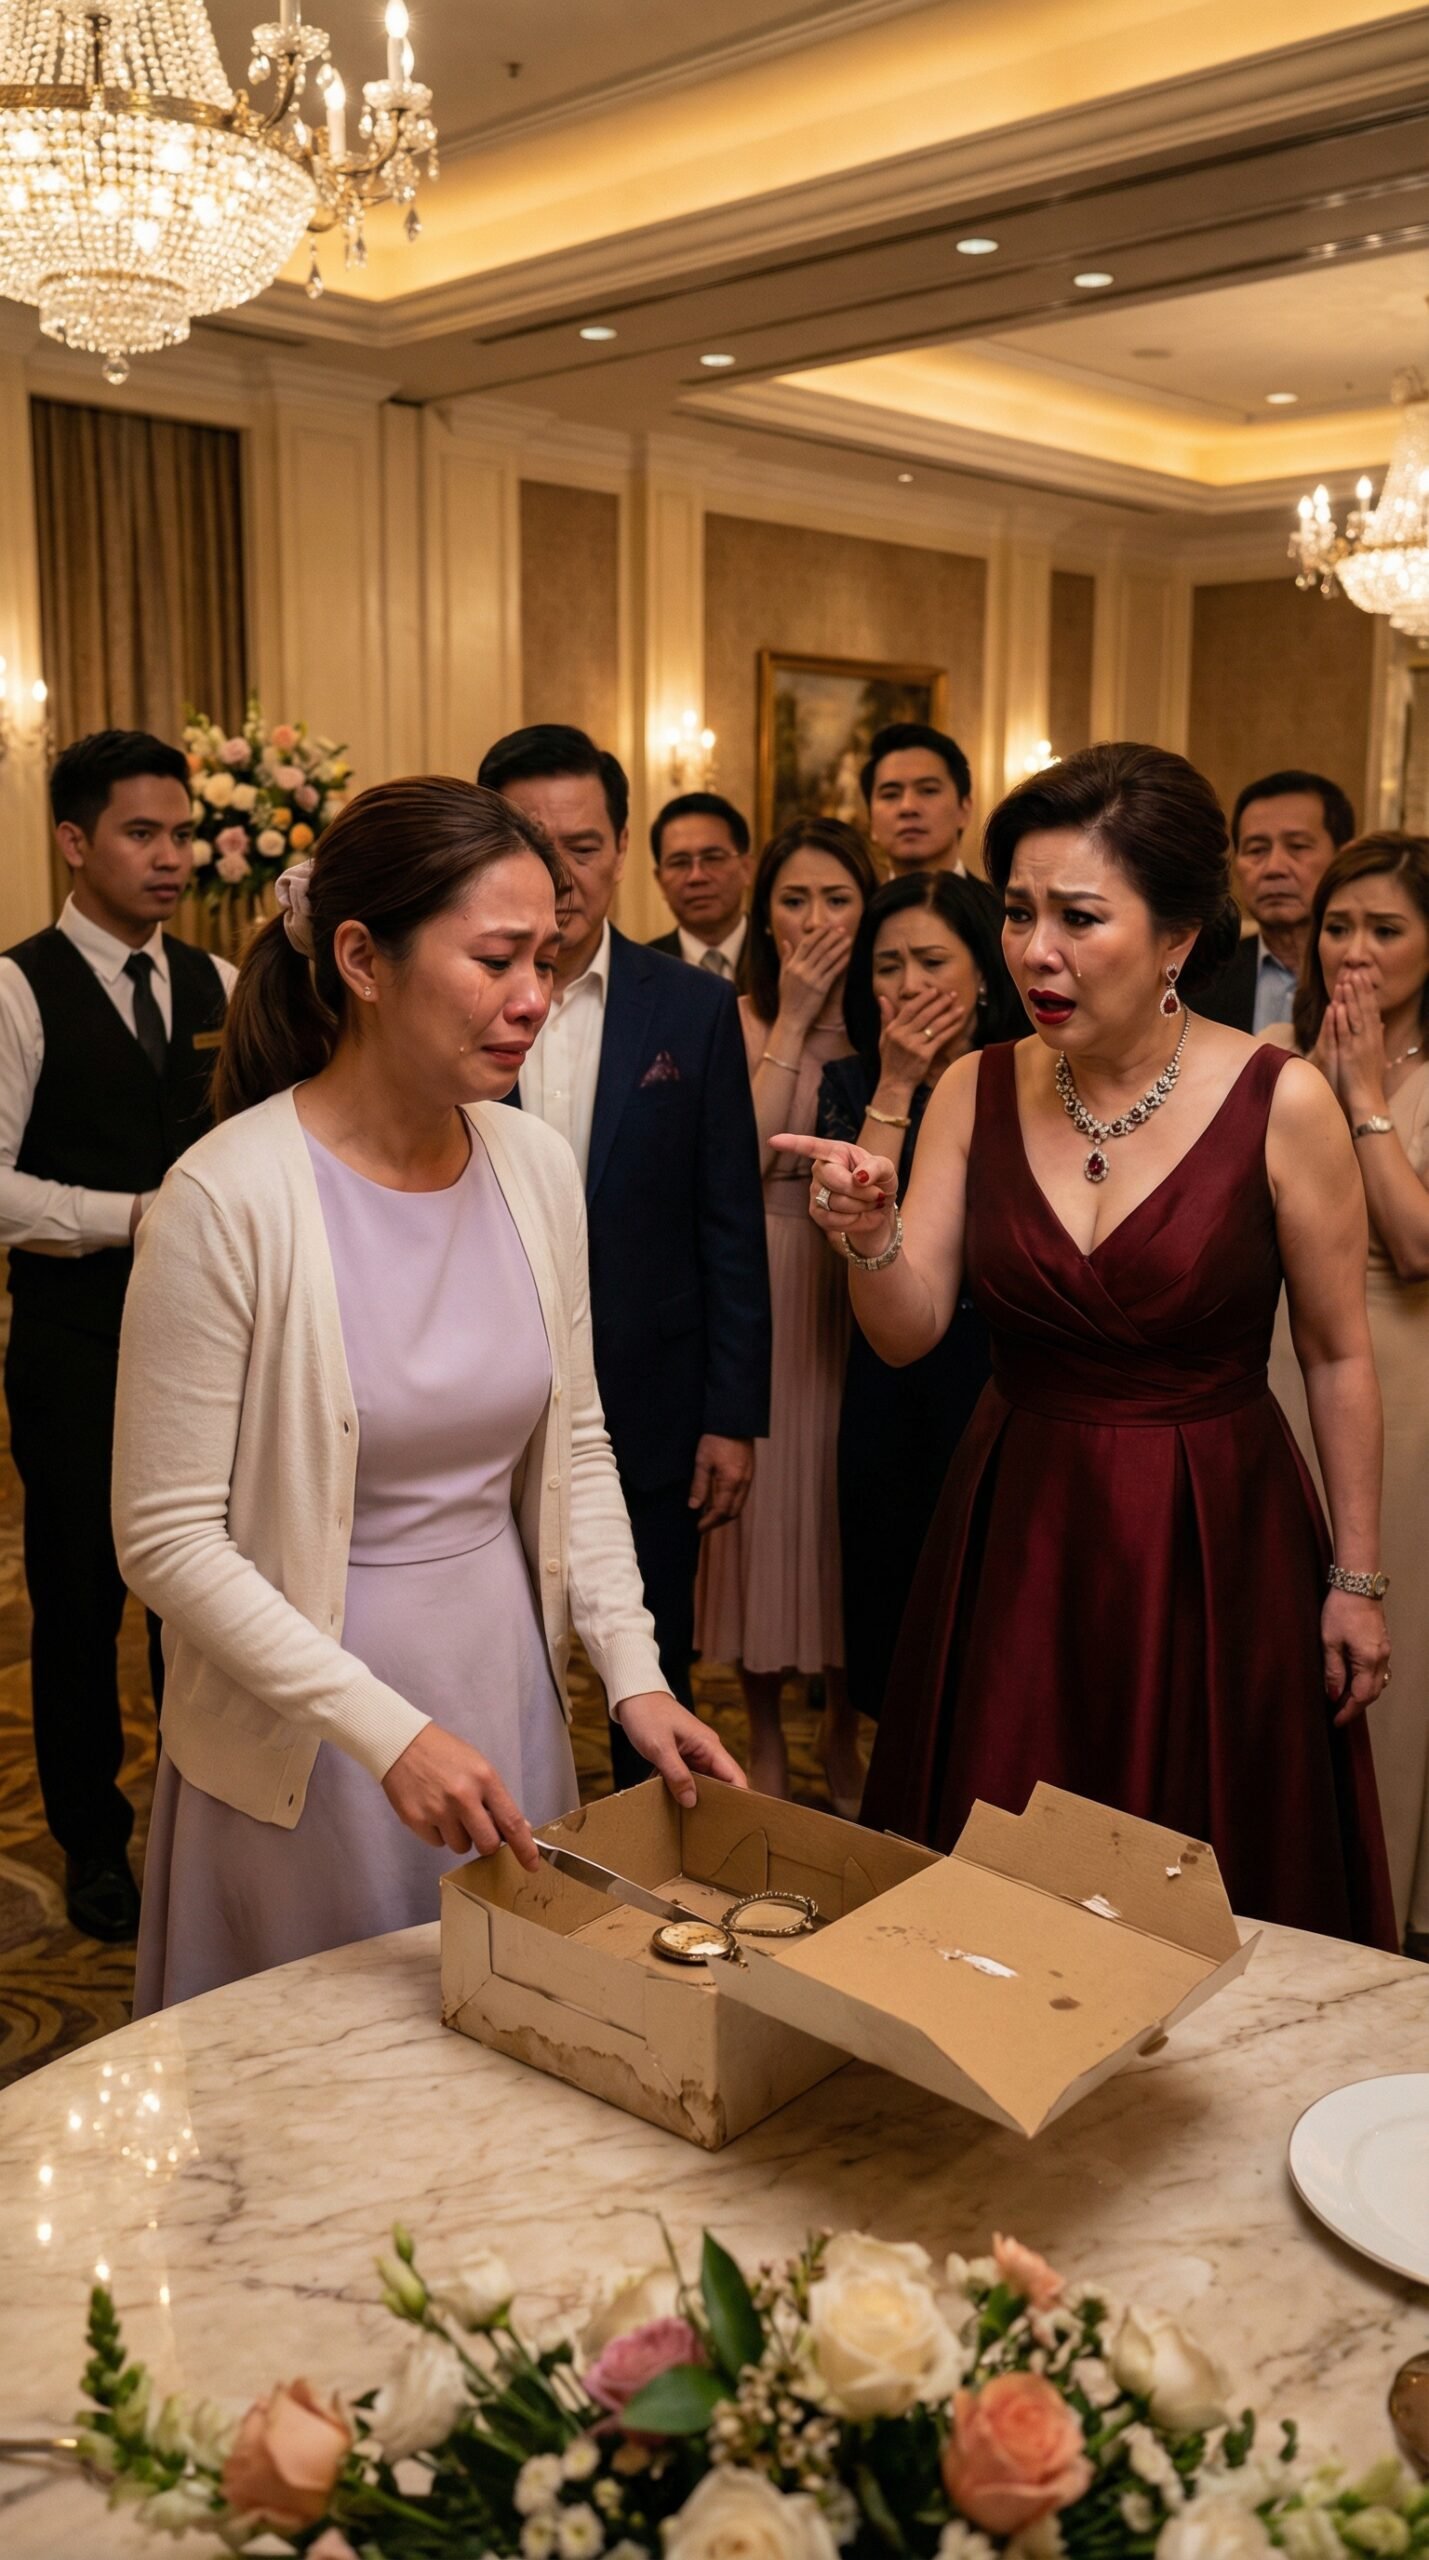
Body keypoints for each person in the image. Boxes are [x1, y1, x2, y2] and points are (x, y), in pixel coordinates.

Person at [116, 778, 743, 2013]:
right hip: (310, 1726)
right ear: (361, 959)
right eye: (496, 960)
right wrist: (383, 1730)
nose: (535, 997)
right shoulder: (224, 1198)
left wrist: (634, 1670)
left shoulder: (533, 1165)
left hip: (498, 1676)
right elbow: (166, 1537)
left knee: (506, 2045)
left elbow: (576, 1440)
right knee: (326, 2070)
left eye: (545, 960)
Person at [778, 741, 1395, 1947]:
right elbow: (905, 1333)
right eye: (1018, 913)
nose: (1034, 952)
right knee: (998, 1889)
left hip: (1211, 1536)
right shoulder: (974, 1088)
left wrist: (1356, 1578)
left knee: (1206, 1881)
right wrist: (868, 1236)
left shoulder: (1282, 1100)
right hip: (1020, 1529)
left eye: (1078, 916)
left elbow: (1335, 1354)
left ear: (1175, 938)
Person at [476, 725, 771, 1788]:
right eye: (532, 843)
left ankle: (651, 1866)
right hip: (479, 1387)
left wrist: (732, 1414)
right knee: (491, 1672)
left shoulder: (690, 1006)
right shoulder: (454, 995)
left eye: (585, 846)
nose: (561, 874)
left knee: (651, 1675)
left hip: (652, 1397)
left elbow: (728, 1218)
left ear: (621, 848)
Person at [0, 729, 234, 1943]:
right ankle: (92, 1840)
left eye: (182, 833)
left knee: (201, 1598)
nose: (171, 857)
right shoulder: (15, 989)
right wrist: (128, 1217)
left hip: (207, 1347)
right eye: (142, 833)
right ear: (73, 841)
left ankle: (207, 1823)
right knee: (81, 1601)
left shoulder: (219, 981)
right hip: (74, 1346)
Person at [1260, 833, 1429, 1954]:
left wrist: (1361, 1094)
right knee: (1277, 1632)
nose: (1353, 951)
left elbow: (1414, 1244)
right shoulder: (1272, 1060)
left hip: (1404, 1384)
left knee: (1380, 1635)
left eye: (1385, 928)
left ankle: (1381, 1912)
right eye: (1337, 927)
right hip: (1280, 1362)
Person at [696, 816, 878, 1808]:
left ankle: (842, 1721)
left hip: (855, 1280)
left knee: (842, 1506)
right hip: (765, 1274)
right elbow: (744, 1155)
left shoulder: (890, 1021)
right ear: (765, 914)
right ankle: (764, 1731)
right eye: (794, 900)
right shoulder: (737, 1017)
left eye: (836, 899)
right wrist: (796, 1018)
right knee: (764, 1516)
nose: (814, 920)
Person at [817, 871, 1020, 1723]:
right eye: (887, 965)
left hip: (1004, 1367)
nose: (906, 984)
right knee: (895, 1605)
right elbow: (849, 1231)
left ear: (985, 973)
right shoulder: (849, 1081)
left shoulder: (1028, 1081)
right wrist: (895, 1084)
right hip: (892, 1368)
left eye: (931, 962)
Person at [1196, 768, 1355, 1031]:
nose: (1274, 868)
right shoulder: (1200, 977)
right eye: (1257, 849)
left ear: (1344, 858)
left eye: (1298, 847)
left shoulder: (1376, 973)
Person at [649, 791, 753, 987]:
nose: (696, 877)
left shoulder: (782, 956)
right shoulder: (636, 971)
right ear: (659, 880)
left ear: (746, 869)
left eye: (713, 858)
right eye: (679, 863)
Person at [861, 722, 973, 878]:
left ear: (964, 810)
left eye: (928, 790)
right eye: (890, 795)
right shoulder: (858, 895)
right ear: (871, 820)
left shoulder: (997, 895)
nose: (908, 807)